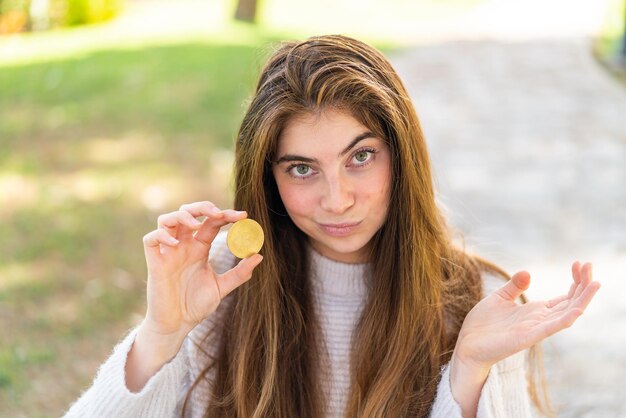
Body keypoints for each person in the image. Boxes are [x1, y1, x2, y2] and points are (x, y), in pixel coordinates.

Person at [64, 35, 600, 418]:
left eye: (360, 157)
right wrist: (161, 334)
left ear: (401, 156)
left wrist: (469, 374)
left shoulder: (476, 302)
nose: (337, 199)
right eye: (302, 168)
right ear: (268, 179)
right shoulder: (221, 282)